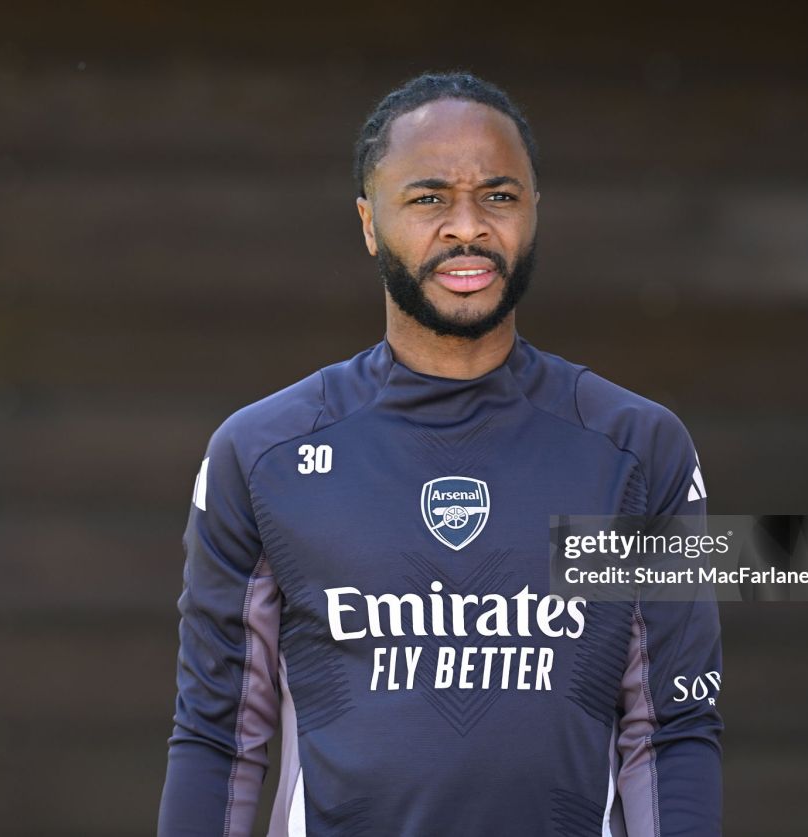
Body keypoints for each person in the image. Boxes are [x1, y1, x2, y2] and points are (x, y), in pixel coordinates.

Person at [157, 71, 723, 837]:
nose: (467, 227)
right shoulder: (263, 455)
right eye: (428, 199)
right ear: (369, 222)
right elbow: (218, 733)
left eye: (498, 195)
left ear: (534, 210)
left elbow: (672, 726)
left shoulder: (637, 450)